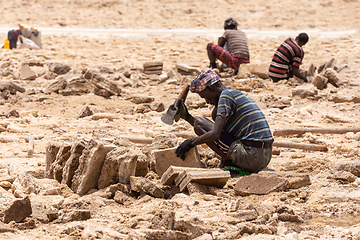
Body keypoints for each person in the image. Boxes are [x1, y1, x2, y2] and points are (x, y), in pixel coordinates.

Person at [175, 70, 274, 173]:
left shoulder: (225, 97)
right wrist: (187, 117)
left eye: (204, 96)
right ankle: (231, 160)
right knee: (205, 120)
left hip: (252, 157)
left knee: (200, 123)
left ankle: (229, 161)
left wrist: (191, 142)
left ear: (210, 88)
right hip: (264, 155)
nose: (206, 101)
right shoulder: (232, 93)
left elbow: (215, 134)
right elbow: (218, 131)